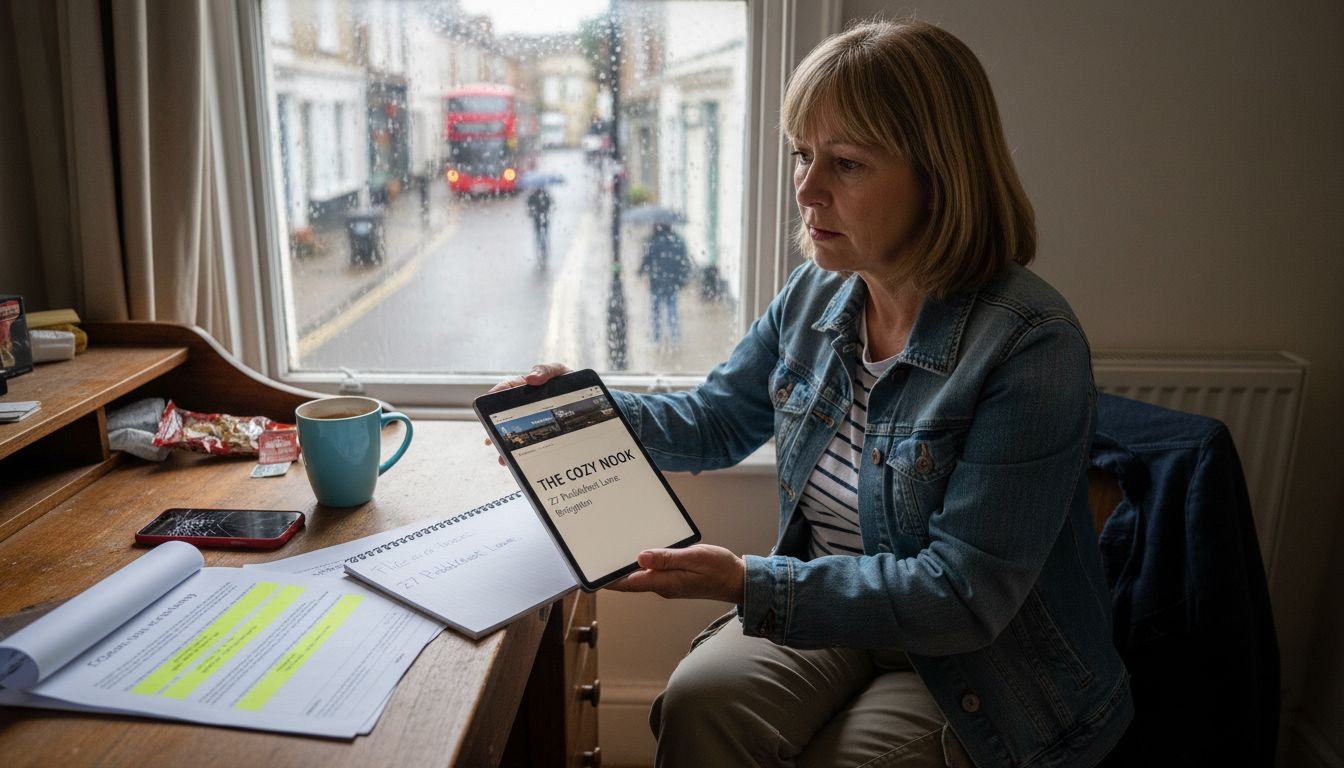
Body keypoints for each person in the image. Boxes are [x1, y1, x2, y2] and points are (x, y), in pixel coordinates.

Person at [493, 19, 1132, 768]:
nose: (806, 186)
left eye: (848, 163)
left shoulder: (1030, 344)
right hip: (838, 611)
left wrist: (745, 581)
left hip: (984, 667)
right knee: (700, 704)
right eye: (802, 154)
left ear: (941, 174)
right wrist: (582, 413)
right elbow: (715, 420)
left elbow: (962, 596)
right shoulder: (816, 293)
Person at [639, 222, 693, 346]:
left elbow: (646, 260)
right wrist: (683, 279)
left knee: (655, 312)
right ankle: (675, 338)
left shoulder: (652, 241)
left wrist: (640, 272)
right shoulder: (677, 240)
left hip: (656, 282)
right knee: (672, 310)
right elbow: (684, 261)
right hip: (673, 282)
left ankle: (656, 339)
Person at [525, 186, 552, 263]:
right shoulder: (544, 194)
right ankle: (543, 250)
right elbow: (549, 204)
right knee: (542, 235)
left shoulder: (533, 195)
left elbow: (529, 206)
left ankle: (542, 250)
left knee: (540, 235)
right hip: (542, 218)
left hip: (540, 218)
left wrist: (532, 211)